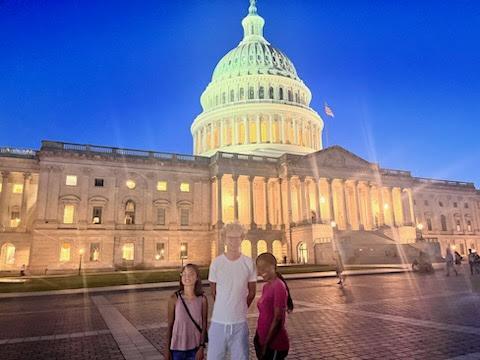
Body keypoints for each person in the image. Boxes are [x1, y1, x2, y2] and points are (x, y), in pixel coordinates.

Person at [207, 222, 257, 360]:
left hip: (240, 324)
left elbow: (252, 292)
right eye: (230, 237)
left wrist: (239, 306)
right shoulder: (216, 263)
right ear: (224, 239)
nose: (234, 241)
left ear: (242, 238)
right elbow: (213, 292)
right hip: (218, 323)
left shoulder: (249, 263)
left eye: (237, 237)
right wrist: (226, 306)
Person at [165, 264, 208, 360]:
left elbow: (204, 324)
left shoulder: (202, 299)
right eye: (184, 274)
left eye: (191, 274)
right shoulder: (174, 298)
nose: (187, 277)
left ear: (197, 277)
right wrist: (167, 350)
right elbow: (170, 325)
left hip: (195, 348)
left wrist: (201, 347)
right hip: (177, 348)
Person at [255, 252, 293, 360]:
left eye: (264, 268)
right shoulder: (266, 286)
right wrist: (258, 337)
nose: (261, 272)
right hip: (262, 340)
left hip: (274, 344)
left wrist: (266, 345)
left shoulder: (278, 286)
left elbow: (278, 319)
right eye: (259, 269)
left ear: (273, 266)